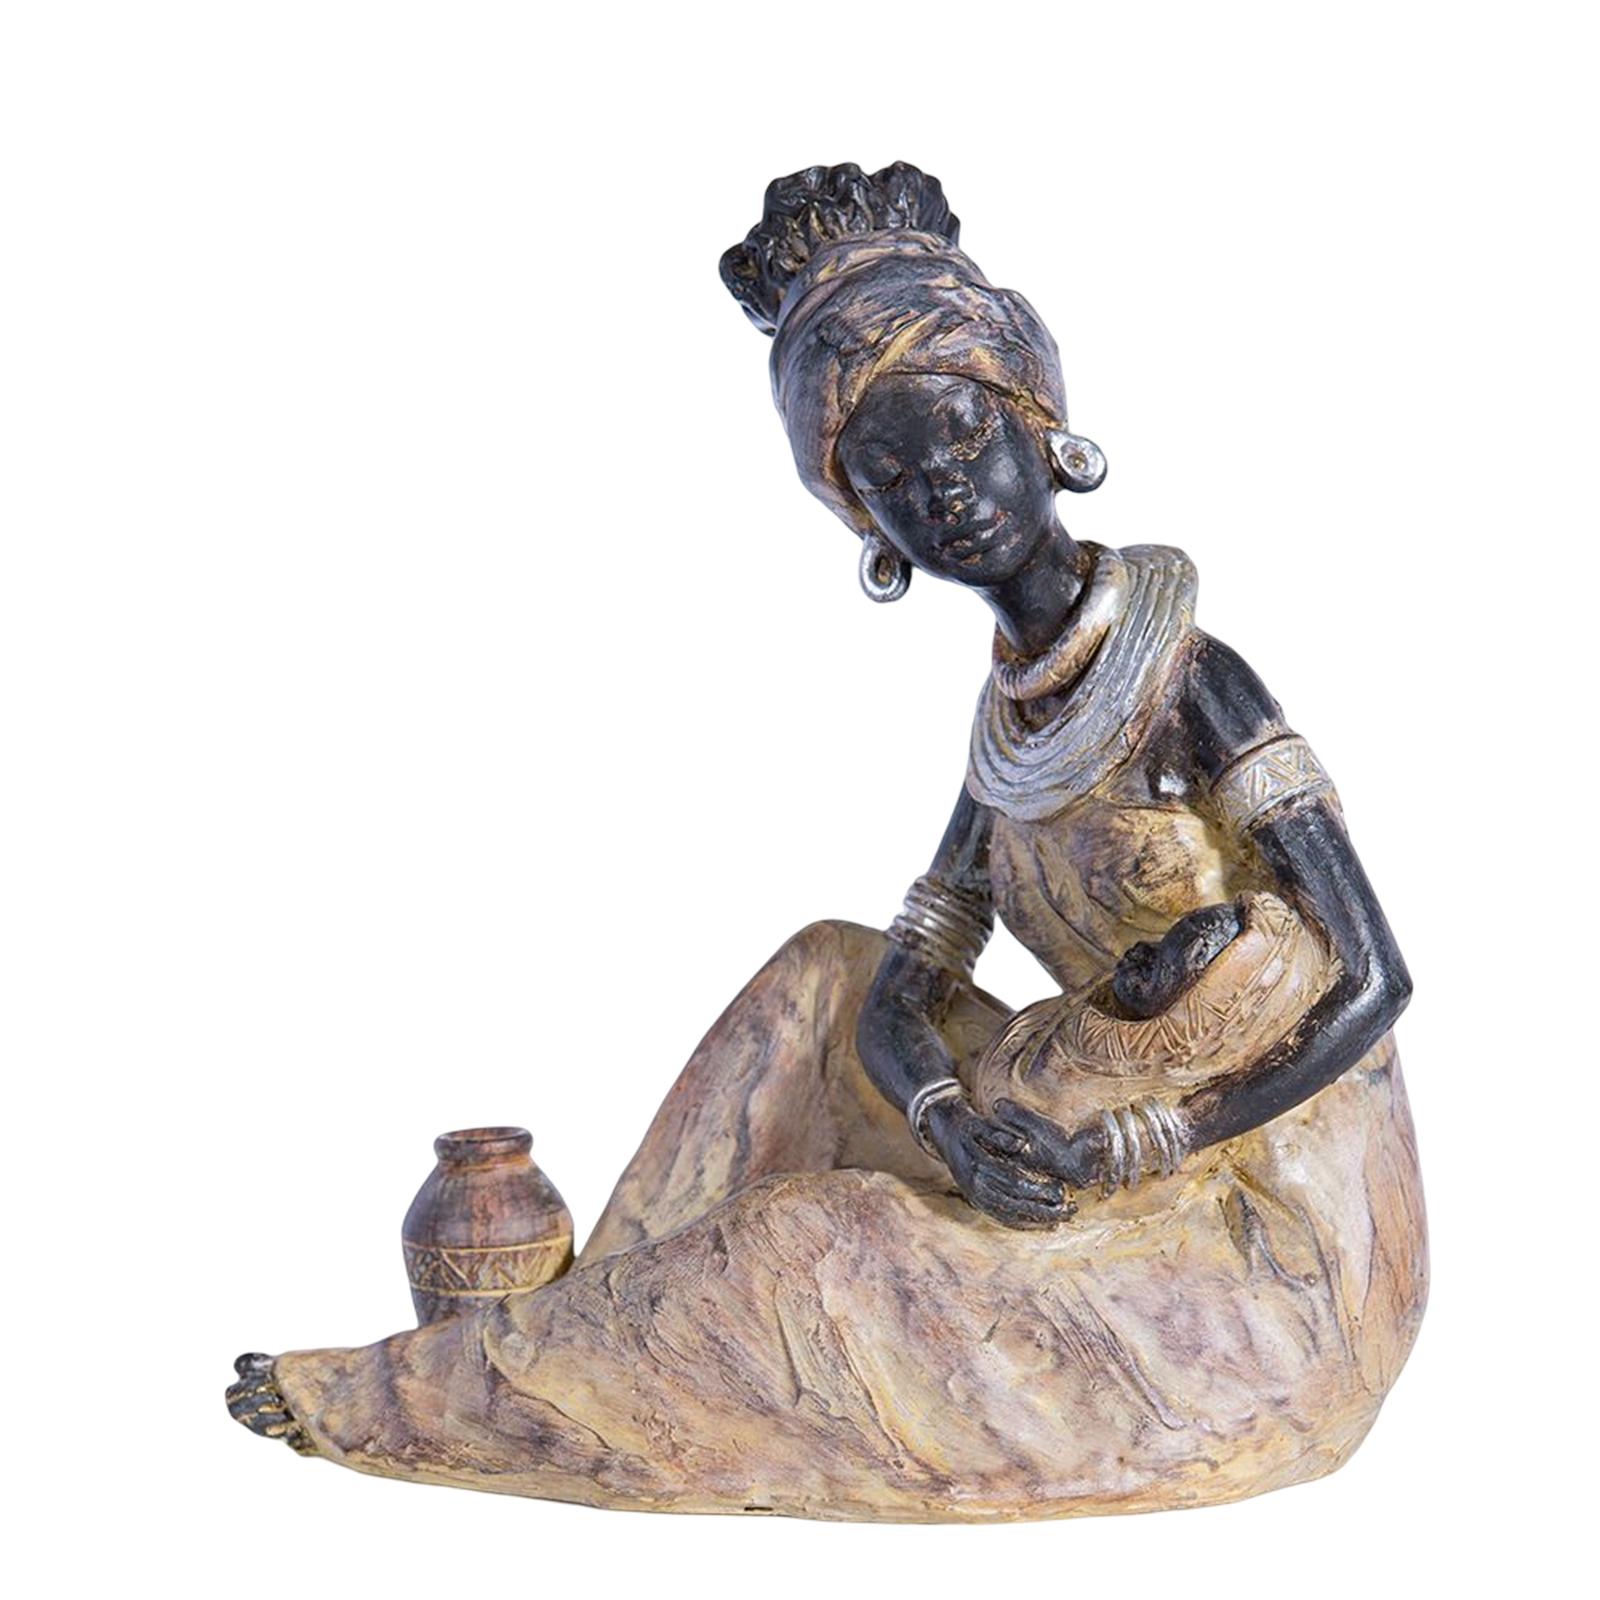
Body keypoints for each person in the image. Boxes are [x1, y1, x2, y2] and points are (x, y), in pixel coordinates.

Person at [227, 163, 1426, 1521]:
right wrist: (947, 1128)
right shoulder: (1010, 724)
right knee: (823, 972)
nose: (946, 492)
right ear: (867, 526)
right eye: (891, 477)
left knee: (810, 1247)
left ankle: (449, 1387)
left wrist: (1132, 1150)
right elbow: (902, 988)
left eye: (964, 433)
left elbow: (1375, 975)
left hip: (1253, 1237)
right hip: (1077, 1118)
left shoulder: (1193, 681)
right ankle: (590, 1314)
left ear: (1041, 425)